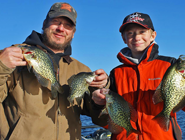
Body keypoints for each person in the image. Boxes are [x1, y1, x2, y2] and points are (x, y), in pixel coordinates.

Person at [0, 2, 109, 140]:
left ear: (73, 33)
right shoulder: (13, 55)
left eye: (68, 25)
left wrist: (99, 99)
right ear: (44, 24)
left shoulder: (82, 70)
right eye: (56, 22)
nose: (61, 28)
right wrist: (1, 66)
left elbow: (101, 120)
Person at [92, 12, 185, 140]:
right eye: (130, 33)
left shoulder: (170, 65)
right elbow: (105, 119)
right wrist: (98, 103)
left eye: (142, 31)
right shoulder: (115, 73)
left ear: (153, 35)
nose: (136, 37)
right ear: (123, 38)